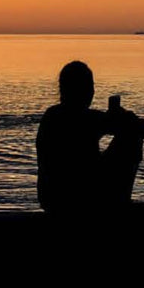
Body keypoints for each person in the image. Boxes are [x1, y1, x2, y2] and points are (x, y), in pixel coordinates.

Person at [35, 61, 115, 213]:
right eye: (90, 86)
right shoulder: (90, 119)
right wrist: (121, 116)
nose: (93, 91)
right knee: (129, 140)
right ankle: (118, 202)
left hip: (49, 198)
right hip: (80, 196)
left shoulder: (50, 115)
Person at [101, 94, 144, 205]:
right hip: (128, 156)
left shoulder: (126, 119)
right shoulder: (126, 119)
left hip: (126, 156)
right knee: (124, 185)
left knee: (122, 184)